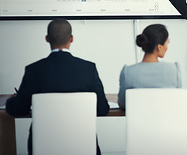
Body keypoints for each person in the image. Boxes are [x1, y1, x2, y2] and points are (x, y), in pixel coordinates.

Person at [5, 18, 110, 155]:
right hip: (83, 147)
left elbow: (18, 110)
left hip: (43, 148)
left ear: (47, 39)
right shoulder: (88, 69)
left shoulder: (34, 70)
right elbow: (102, 109)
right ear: (71, 39)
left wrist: (12, 100)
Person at [117, 24, 182, 109]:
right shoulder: (174, 70)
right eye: (167, 43)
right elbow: (179, 101)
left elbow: (122, 104)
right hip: (167, 122)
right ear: (159, 47)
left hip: (138, 122)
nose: (167, 47)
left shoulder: (127, 72)